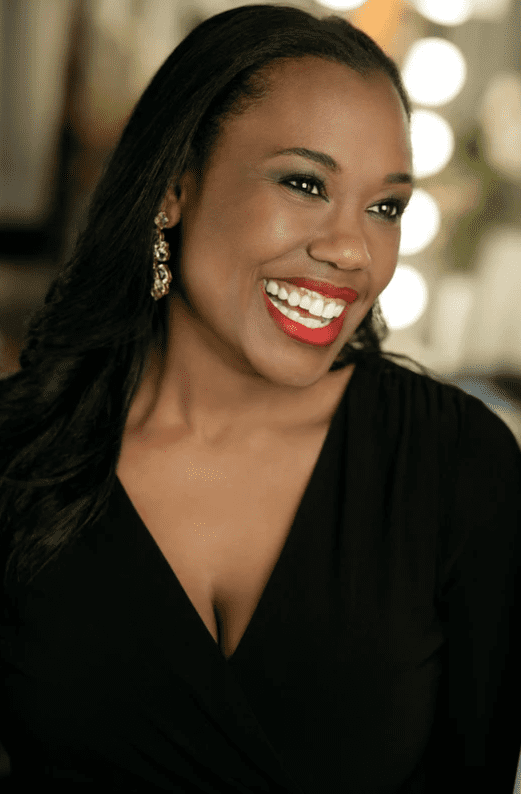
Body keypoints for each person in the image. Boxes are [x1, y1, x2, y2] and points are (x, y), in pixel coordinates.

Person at [0, 4, 520, 792]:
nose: (351, 249)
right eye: (304, 183)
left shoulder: (455, 467)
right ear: (172, 188)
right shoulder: (18, 452)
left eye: (384, 208)